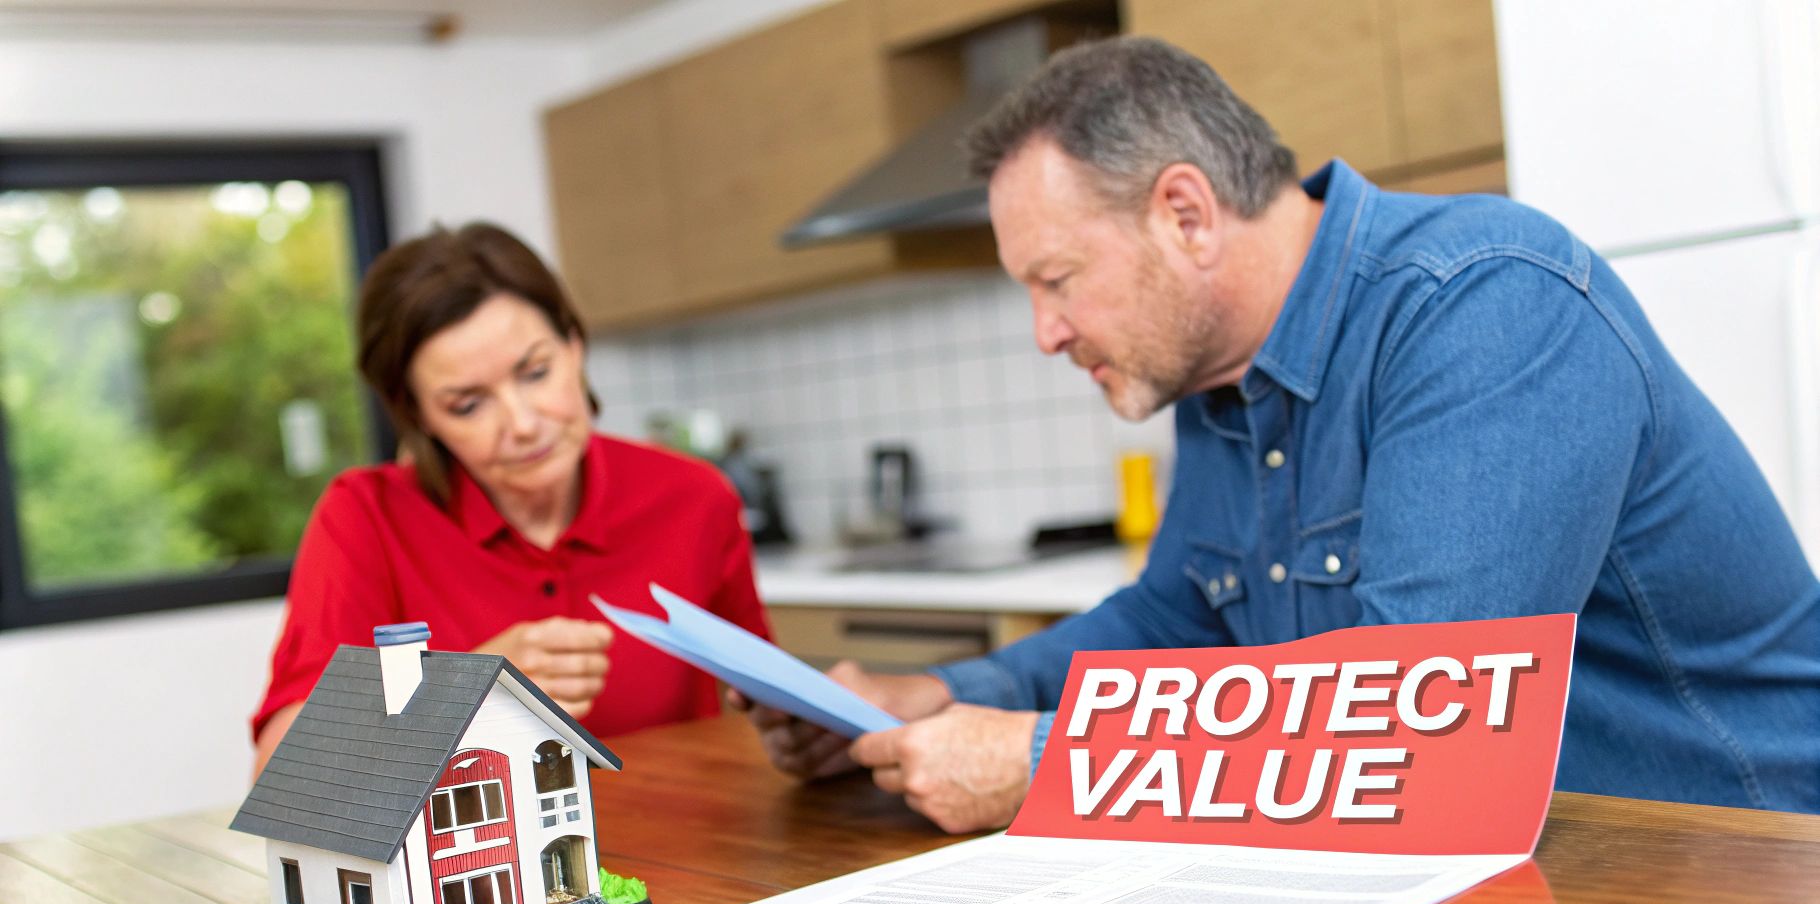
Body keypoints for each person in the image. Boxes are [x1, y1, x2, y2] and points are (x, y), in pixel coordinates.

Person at [736, 37, 1820, 830]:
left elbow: (1422, 729)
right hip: (1492, 877)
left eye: (1056, 279)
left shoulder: (1485, 303)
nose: (1045, 333)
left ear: (1185, 214)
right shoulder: (1219, 379)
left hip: (1729, 879)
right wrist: (947, 695)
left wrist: (1045, 759)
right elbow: (1175, 623)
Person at [252, 223, 768, 775]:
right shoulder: (365, 518)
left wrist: (805, 742)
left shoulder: (695, 497)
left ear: (574, 345)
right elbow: (281, 773)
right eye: (468, 405)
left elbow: (761, 710)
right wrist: (466, 696)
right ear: (419, 416)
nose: (522, 424)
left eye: (536, 373)